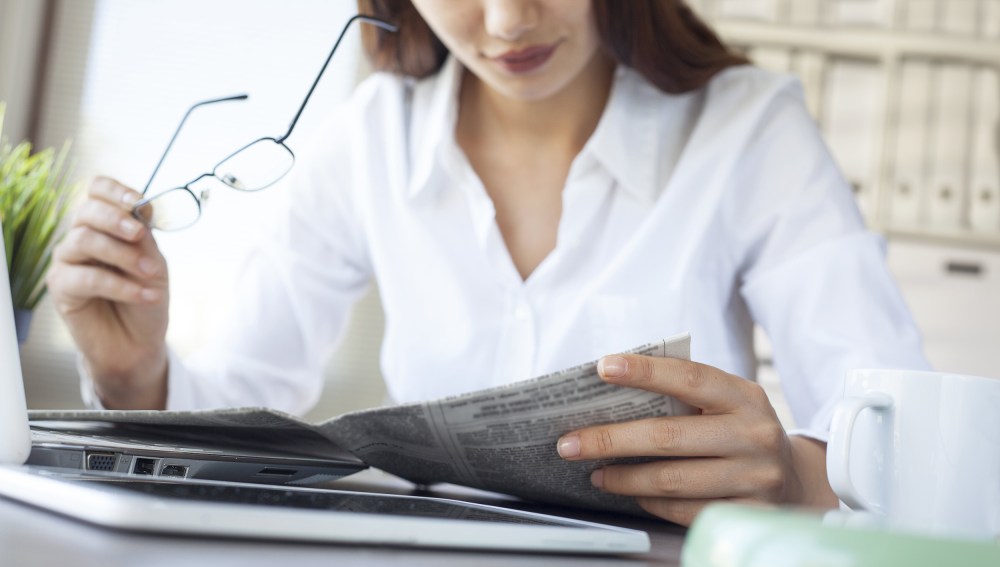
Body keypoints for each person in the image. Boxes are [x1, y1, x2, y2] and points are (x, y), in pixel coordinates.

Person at [46, 0, 929, 526]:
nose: (508, 22)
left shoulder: (750, 129)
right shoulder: (369, 140)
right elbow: (240, 405)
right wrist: (134, 373)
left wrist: (798, 480)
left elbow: (910, 451)